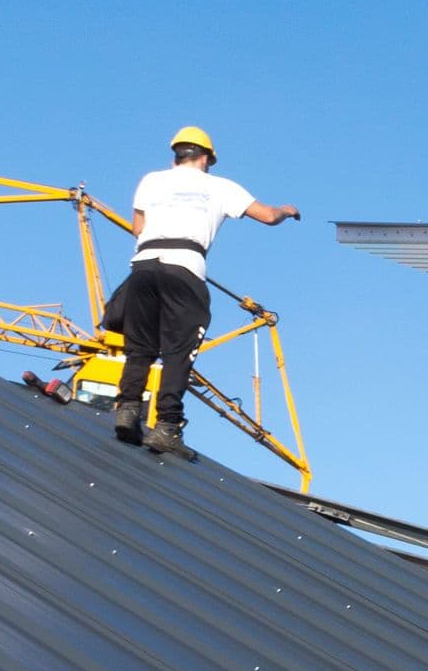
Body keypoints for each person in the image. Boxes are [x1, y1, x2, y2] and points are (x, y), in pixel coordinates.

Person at [110, 125, 299, 458]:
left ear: (176, 155)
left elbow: (138, 228)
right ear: (207, 158)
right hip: (185, 267)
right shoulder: (220, 186)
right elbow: (268, 217)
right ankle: (167, 427)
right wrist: (286, 210)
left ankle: (127, 410)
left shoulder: (151, 180)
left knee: (139, 345)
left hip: (143, 265)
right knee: (178, 351)